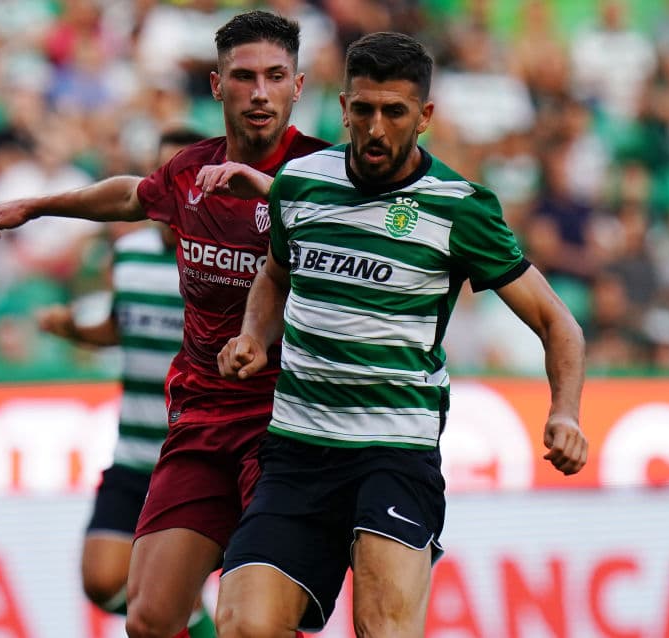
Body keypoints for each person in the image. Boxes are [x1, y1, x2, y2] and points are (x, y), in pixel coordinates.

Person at [215, 32, 588, 636]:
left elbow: (557, 323)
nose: (376, 129)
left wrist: (565, 414)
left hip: (394, 449)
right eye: (362, 110)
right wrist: (255, 336)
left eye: (394, 112)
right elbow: (274, 273)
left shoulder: (458, 207)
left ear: (426, 116)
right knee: (242, 627)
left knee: (383, 629)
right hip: (297, 449)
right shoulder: (299, 183)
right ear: (343, 108)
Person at [0, 11, 331, 638]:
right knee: (149, 619)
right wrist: (38, 205)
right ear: (217, 86)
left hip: (287, 432)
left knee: (255, 623)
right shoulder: (190, 172)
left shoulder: (326, 179)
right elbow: (129, 196)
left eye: (274, 76)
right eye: (242, 76)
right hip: (199, 423)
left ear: (297, 86)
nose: (258, 92)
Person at [34, 128, 215, 637]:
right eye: (162, 175)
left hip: (204, 455)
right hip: (137, 452)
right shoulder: (129, 254)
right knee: (101, 579)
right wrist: (73, 329)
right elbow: (121, 325)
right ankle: (198, 622)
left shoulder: (226, 258)